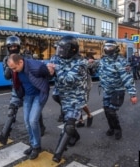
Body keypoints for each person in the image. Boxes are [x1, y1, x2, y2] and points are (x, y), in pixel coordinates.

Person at [0, 36, 46, 145]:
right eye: (11, 46)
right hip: (17, 88)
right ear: (8, 48)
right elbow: (7, 76)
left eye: (15, 46)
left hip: (29, 87)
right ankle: (4, 135)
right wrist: (9, 66)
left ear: (19, 46)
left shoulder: (26, 56)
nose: (13, 48)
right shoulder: (6, 59)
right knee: (12, 110)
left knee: (34, 110)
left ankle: (40, 127)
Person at [47, 35, 88, 163]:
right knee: (68, 123)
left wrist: (54, 68)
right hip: (62, 97)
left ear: (72, 50)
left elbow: (68, 80)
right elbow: (47, 72)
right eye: (59, 49)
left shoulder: (81, 63)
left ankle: (58, 154)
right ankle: (75, 136)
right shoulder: (56, 58)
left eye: (62, 49)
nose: (59, 51)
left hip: (76, 98)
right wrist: (48, 70)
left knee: (69, 126)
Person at [7, 53, 50, 160]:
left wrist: (44, 87)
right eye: (12, 69)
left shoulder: (37, 67)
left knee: (33, 121)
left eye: (15, 68)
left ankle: (37, 147)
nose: (14, 70)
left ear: (21, 62)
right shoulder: (15, 70)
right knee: (27, 122)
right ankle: (32, 144)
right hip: (28, 95)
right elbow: (16, 84)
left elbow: (48, 74)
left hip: (39, 94)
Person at [98, 40, 138, 140]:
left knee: (111, 111)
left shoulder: (121, 61)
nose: (108, 49)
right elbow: (100, 71)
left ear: (115, 49)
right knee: (107, 111)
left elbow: (127, 78)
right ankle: (111, 127)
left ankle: (117, 129)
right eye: (106, 47)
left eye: (110, 47)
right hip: (107, 90)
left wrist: (132, 94)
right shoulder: (103, 60)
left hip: (118, 90)